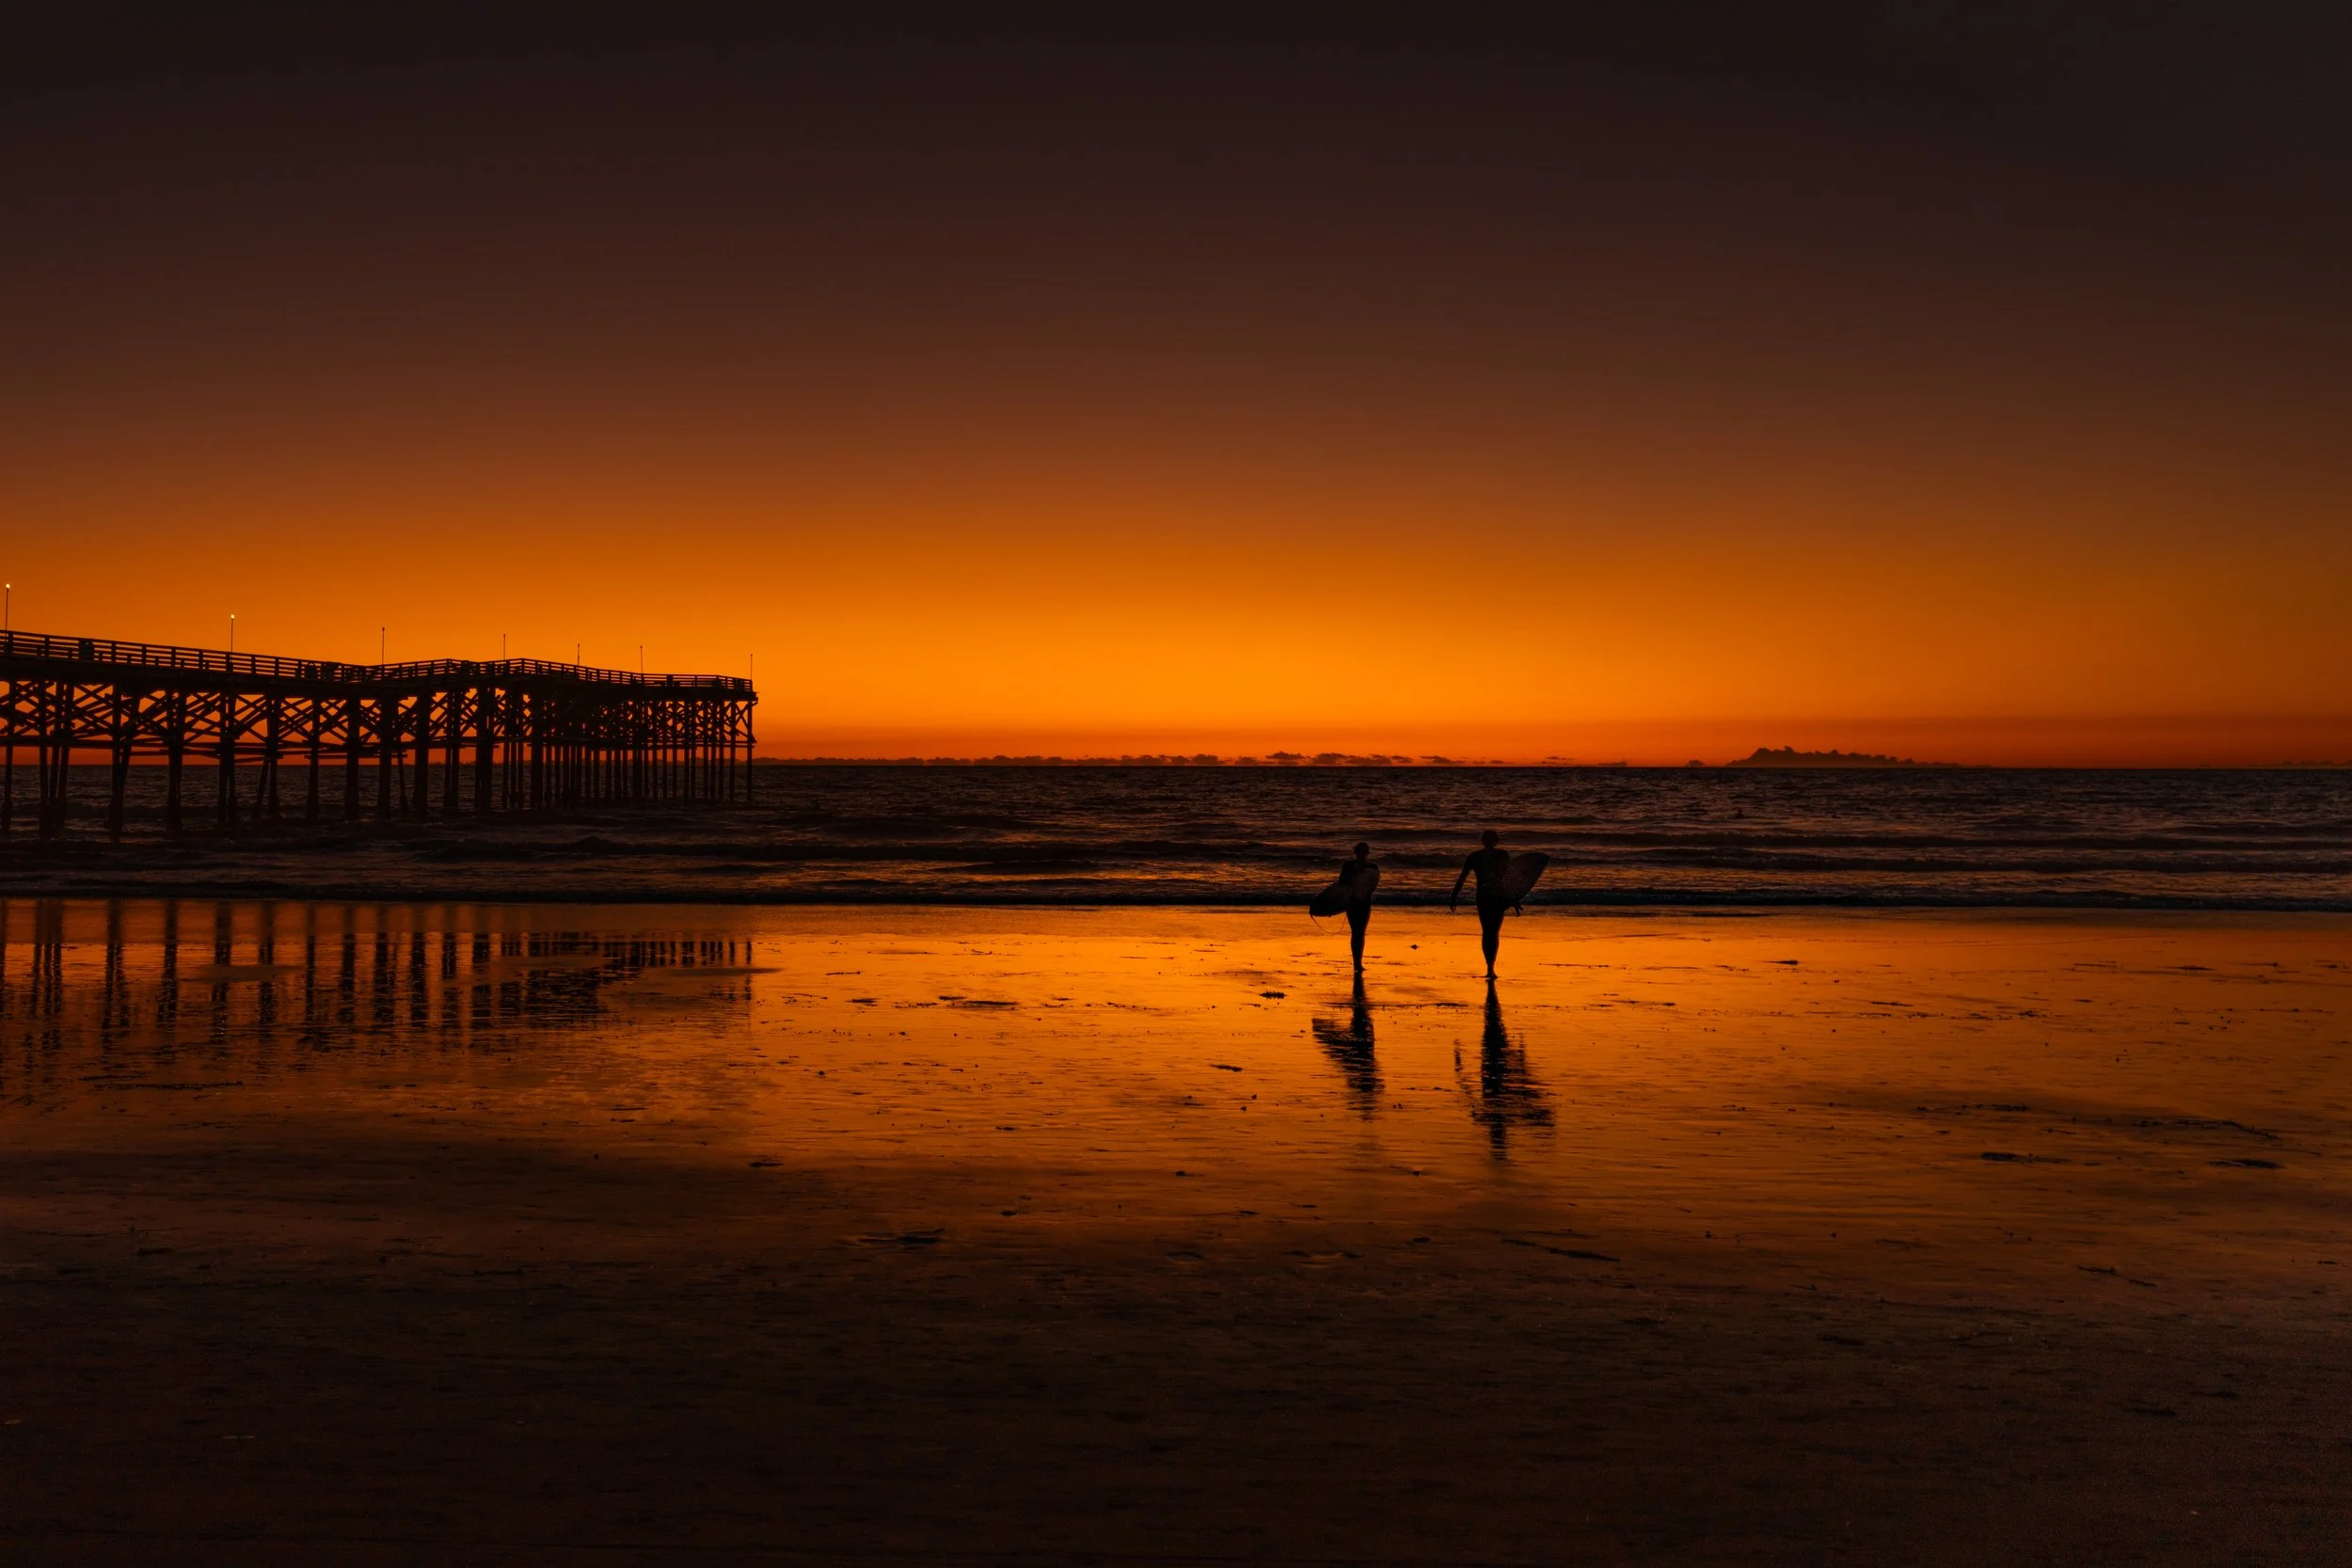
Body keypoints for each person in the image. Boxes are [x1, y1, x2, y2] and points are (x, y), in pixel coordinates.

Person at [1448, 829, 1514, 978]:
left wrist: (1514, 899)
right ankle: (1489, 967)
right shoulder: (1474, 857)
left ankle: (1491, 966)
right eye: (1487, 839)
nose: (1490, 842)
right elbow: (1463, 877)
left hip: (1499, 897)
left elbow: (1509, 879)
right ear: (1483, 841)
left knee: (1494, 932)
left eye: (1492, 839)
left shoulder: (1503, 855)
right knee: (1487, 932)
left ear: (1496, 841)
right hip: (1483, 897)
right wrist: (1454, 896)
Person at [1338, 841, 1377, 973]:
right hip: (1353, 901)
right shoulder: (1348, 866)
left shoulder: (1373, 867)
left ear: (1367, 853)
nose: (1362, 854)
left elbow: (1372, 885)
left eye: (1363, 852)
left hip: (1364, 901)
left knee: (1360, 932)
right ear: (1356, 853)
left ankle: (1358, 963)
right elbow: (1342, 882)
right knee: (1356, 931)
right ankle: (1357, 964)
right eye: (1360, 852)